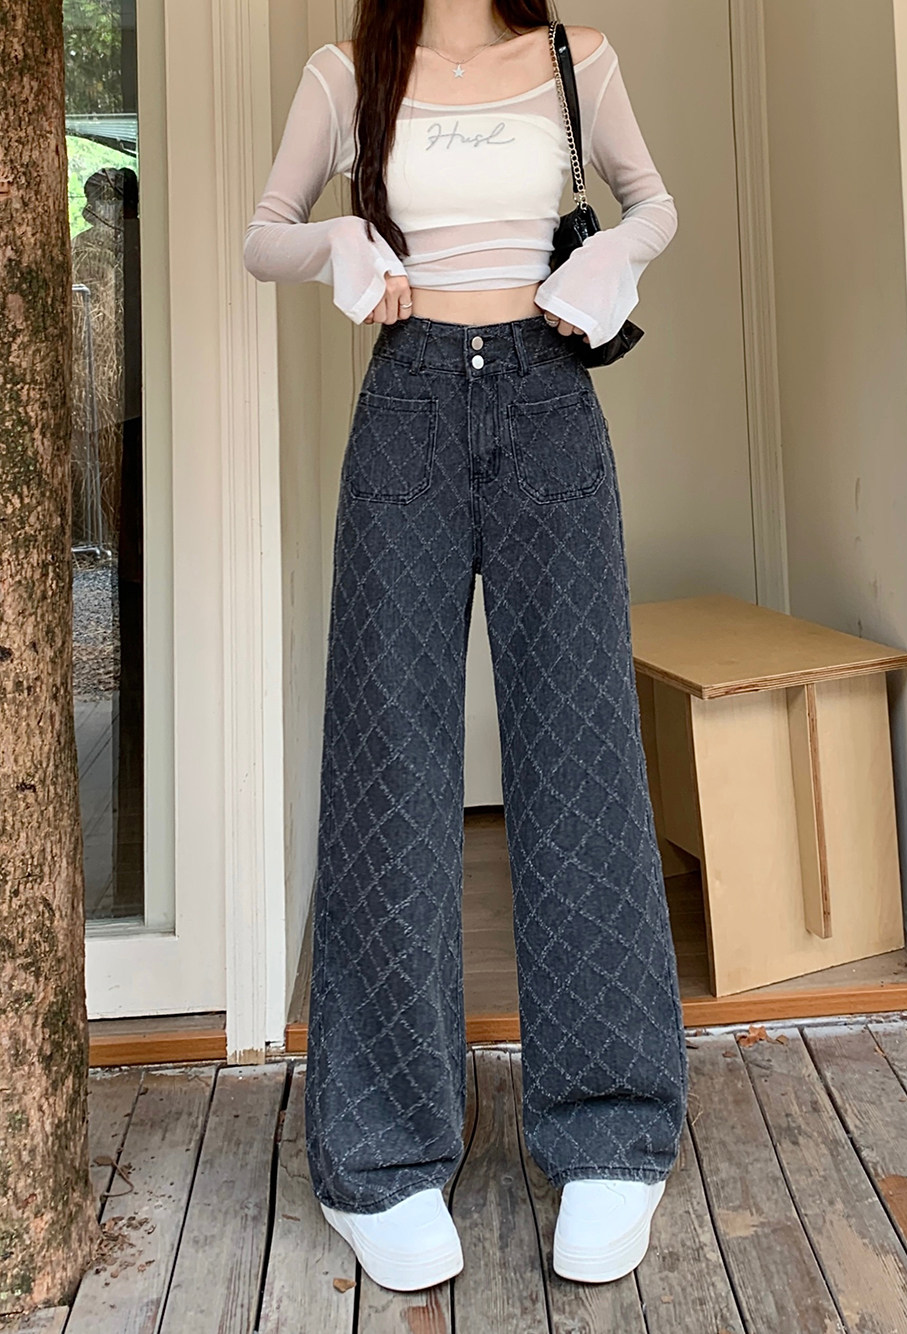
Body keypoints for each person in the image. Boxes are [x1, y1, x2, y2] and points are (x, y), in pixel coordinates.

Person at [243, 0, 688, 1294]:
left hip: (552, 400)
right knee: (389, 763)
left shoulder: (574, 59)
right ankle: (383, 1151)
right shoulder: (349, 73)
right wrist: (336, 240)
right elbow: (262, 234)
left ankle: (610, 1127)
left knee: (582, 756)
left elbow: (654, 202)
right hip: (409, 402)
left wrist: (611, 264)